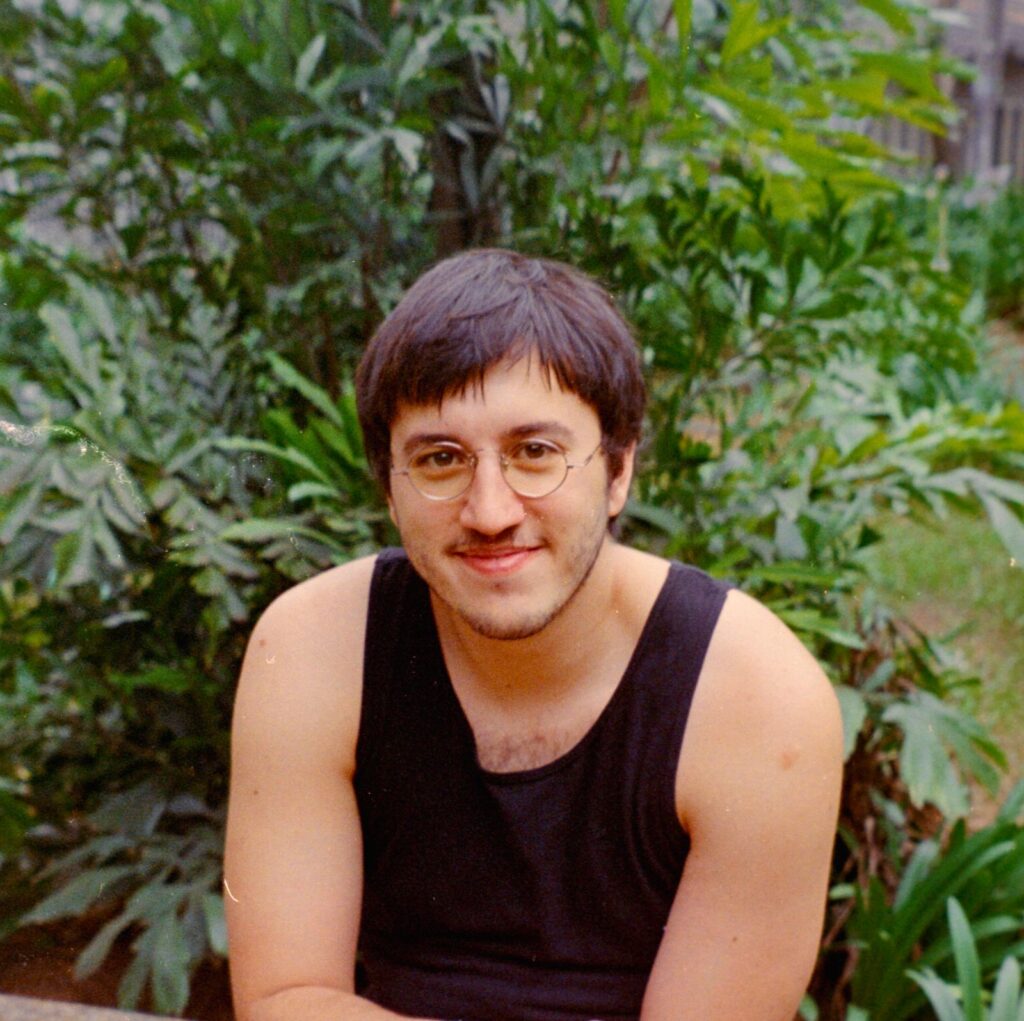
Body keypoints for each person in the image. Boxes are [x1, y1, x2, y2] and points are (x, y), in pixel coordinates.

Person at [224, 249, 843, 1021]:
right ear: (388, 487)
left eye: (535, 453)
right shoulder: (314, 647)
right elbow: (282, 999)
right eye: (440, 459)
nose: (490, 510)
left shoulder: (756, 697)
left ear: (619, 470)